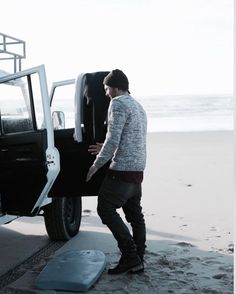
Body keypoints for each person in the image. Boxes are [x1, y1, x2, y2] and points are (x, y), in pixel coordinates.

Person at [86, 69, 147, 275]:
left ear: (115, 87)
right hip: (137, 169)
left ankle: (130, 256)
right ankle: (139, 257)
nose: (105, 93)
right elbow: (129, 137)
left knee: (105, 208)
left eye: (106, 88)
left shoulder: (118, 103)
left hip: (121, 170)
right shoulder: (138, 106)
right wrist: (106, 146)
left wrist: (95, 165)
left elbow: (114, 139)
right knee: (135, 215)